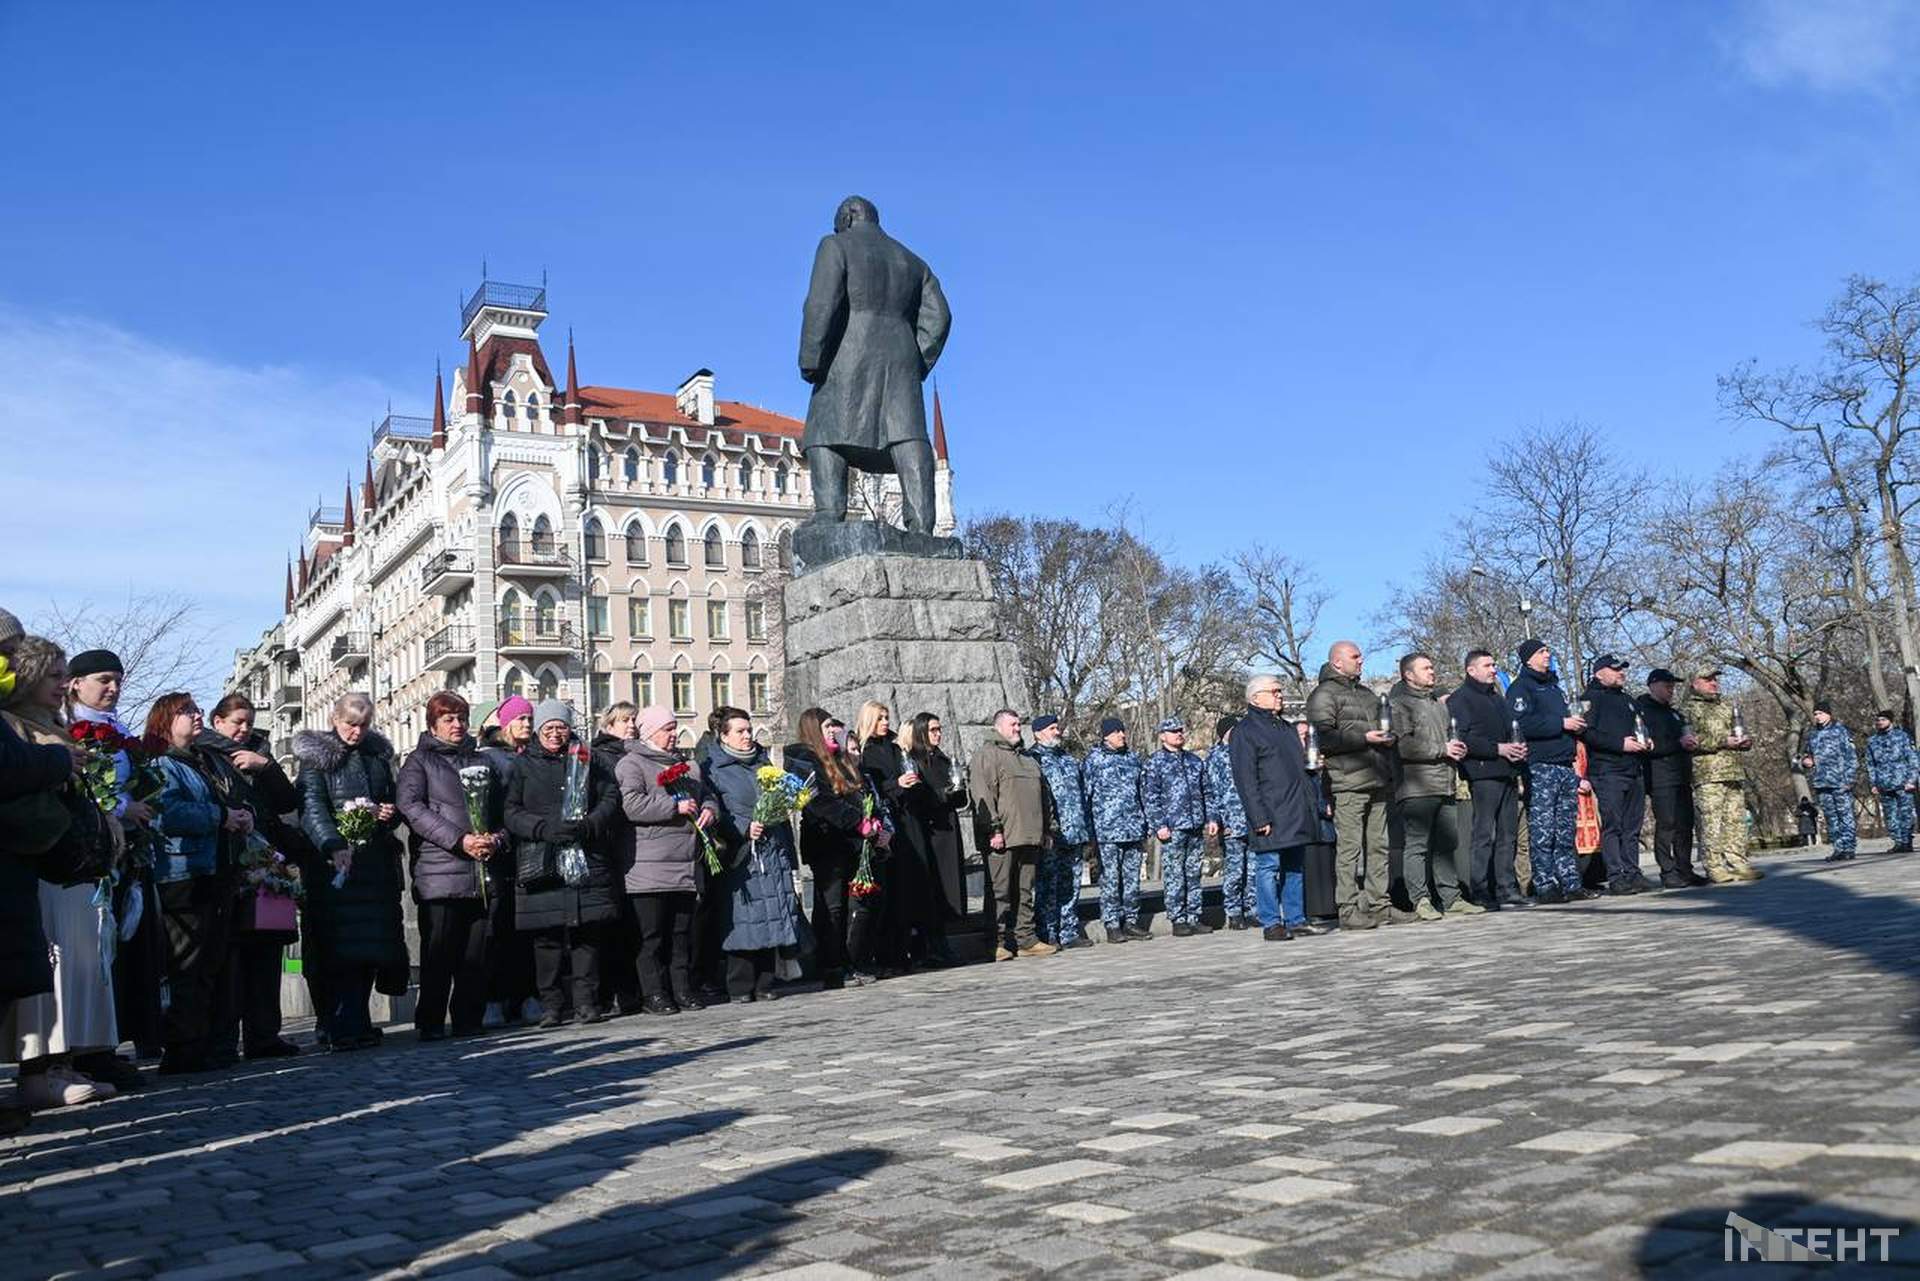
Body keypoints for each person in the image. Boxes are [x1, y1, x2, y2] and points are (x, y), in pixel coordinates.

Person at [2, 638, 125, 1105]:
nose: (62, 685)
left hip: (64, 865)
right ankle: (40, 1068)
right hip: (38, 862)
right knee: (44, 966)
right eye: (54, 676)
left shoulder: (54, 724)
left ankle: (66, 1059)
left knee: (72, 963)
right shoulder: (13, 725)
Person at [144, 690, 253, 1074]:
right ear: (165, 721)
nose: (196, 715)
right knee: (185, 966)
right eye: (185, 711)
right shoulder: (162, 764)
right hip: (181, 873)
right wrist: (220, 815)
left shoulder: (202, 761)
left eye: (195, 709)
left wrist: (239, 816)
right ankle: (183, 1049)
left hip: (214, 870)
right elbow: (166, 811)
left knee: (210, 964)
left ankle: (206, 1044)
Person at [66, 648, 162, 1062]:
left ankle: (118, 1036)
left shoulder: (116, 729)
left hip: (127, 849)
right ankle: (89, 1047)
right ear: (76, 684)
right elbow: (85, 786)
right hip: (90, 852)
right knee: (96, 947)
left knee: (128, 945)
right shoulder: (71, 728)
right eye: (104, 679)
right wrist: (124, 808)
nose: (113, 688)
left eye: (118, 680)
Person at [297, 692, 408, 1049]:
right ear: (334, 719)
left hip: (373, 867)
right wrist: (332, 844)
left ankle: (357, 1020)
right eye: (349, 724)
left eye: (362, 725)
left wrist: (389, 812)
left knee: (369, 951)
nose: (355, 732)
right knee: (338, 952)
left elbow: (391, 796)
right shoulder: (316, 760)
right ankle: (337, 1022)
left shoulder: (377, 756)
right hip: (335, 870)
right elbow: (312, 807)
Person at [503, 701, 622, 1027]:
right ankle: (552, 1006)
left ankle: (587, 1003)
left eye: (561, 727)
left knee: (586, 936)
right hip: (543, 861)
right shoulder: (523, 765)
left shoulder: (587, 758)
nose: (555, 734)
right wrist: (541, 829)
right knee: (547, 941)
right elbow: (510, 812)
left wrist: (590, 825)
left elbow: (610, 797)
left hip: (586, 856)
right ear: (539, 731)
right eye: (548, 728)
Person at [201, 694, 305, 1060]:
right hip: (228, 866)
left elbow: (287, 801)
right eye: (236, 722)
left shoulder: (259, 753)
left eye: (248, 722)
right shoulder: (205, 753)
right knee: (231, 959)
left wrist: (266, 767)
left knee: (267, 954)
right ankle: (224, 1036)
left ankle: (264, 1034)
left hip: (265, 866)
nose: (243, 730)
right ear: (217, 721)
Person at [395, 691, 502, 1039]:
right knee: (439, 953)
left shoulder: (481, 761)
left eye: (461, 718)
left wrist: (494, 839)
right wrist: (459, 840)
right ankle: (430, 1021)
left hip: (480, 872)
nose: (457, 725)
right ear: (433, 725)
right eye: (448, 719)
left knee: (476, 953)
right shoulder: (419, 762)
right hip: (440, 873)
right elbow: (412, 808)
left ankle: (468, 1018)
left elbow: (500, 810)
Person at [616, 705, 719, 1012]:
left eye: (675, 728)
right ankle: (654, 993)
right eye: (667, 729)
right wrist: (673, 807)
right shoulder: (631, 764)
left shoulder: (689, 766)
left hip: (684, 864)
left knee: (680, 934)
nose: (674, 734)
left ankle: (683, 989)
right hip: (648, 868)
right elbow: (630, 804)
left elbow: (707, 795)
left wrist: (710, 811)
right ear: (649, 732)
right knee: (652, 936)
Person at [705, 706, 803, 1001]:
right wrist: (744, 830)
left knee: (772, 913)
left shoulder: (762, 762)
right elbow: (716, 810)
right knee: (744, 917)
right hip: (741, 854)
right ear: (723, 736)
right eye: (740, 731)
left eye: (749, 730)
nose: (748, 736)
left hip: (771, 849)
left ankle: (765, 982)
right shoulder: (713, 768)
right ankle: (739, 985)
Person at [785, 710, 887, 987]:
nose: (832, 731)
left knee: (852, 905)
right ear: (813, 729)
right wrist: (857, 821)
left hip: (850, 842)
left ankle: (849, 961)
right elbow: (819, 802)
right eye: (826, 726)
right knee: (832, 907)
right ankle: (831, 967)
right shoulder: (804, 759)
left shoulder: (838, 757)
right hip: (826, 842)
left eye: (833, 726)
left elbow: (857, 791)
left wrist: (871, 818)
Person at [1307, 640, 1398, 929]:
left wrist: (1390, 738)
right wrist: (1364, 738)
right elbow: (1323, 736)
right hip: (1348, 782)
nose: (1361, 661)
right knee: (1350, 849)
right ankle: (1347, 909)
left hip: (1377, 778)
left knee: (1379, 846)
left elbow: (1382, 728)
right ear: (1337, 662)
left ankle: (1379, 905)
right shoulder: (1323, 694)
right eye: (1355, 656)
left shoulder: (1367, 693)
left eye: (1360, 656)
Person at [1230, 675, 1322, 942]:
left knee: (1295, 866)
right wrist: (1258, 816)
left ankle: (1296, 919)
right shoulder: (1245, 731)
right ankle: (1271, 922)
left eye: (1280, 691)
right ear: (1255, 697)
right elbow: (1246, 779)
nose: (1280, 695)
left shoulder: (1285, 728)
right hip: (1269, 812)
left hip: (1295, 809)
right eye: (1275, 691)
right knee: (1268, 866)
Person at [1388, 653, 1478, 920]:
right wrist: (1442, 749)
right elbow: (1403, 745)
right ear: (1409, 674)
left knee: (1446, 844)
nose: (1432, 672)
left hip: (1445, 782)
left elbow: (1447, 740)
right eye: (1426, 668)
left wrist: (1456, 748)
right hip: (1417, 786)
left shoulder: (1437, 704)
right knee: (1417, 845)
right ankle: (1421, 900)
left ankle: (1451, 898)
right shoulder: (1399, 705)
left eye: (1432, 667)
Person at [1507, 639, 1595, 904]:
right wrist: (1561, 723)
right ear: (1528, 659)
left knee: (1565, 830)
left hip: (1565, 765)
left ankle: (1571, 882)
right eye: (1541, 652)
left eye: (1547, 651)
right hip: (1540, 766)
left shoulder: (1555, 687)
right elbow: (1522, 723)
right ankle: (1545, 883)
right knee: (1544, 830)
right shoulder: (1521, 689)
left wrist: (1575, 725)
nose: (1547, 656)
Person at [970, 709, 1056, 960]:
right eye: (1013, 725)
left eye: (1019, 724)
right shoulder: (986, 756)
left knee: (1025, 890)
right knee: (1000, 892)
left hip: (1030, 836)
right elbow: (982, 795)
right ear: (998, 727)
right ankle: (995, 943)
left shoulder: (1028, 759)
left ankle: (1026, 940)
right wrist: (993, 829)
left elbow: (1044, 798)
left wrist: (1048, 829)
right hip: (1002, 838)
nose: (1018, 728)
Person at [1447, 650, 1528, 909]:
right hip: (1482, 774)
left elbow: (1511, 730)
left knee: (1508, 834)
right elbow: (1464, 739)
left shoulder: (1497, 698)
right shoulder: (1461, 699)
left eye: (1494, 664)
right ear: (1471, 670)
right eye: (1488, 665)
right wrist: (1497, 749)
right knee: (1484, 834)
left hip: (1507, 772)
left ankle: (1506, 887)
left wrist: (1518, 747)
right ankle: (1480, 890)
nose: (1494, 670)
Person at [479, 694, 537, 1029]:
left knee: (527, 933)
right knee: (497, 931)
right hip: (502, 852)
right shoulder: (490, 758)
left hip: (530, 853)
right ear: (505, 724)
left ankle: (527, 996)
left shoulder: (532, 756)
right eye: (520, 720)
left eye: (529, 719)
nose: (526, 725)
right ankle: (495, 998)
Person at [856, 700, 927, 971]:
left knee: (906, 892)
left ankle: (904, 951)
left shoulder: (895, 748)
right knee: (889, 895)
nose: (886, 722)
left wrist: (909, 782)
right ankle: (887, 955)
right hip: (884, 826)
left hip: (905, 821)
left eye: (887, 717)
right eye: (880, 718)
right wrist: (895, 784)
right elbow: (873, 790)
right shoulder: (867, 752)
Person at [1578, 654, 1656, 895]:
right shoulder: (1589, 699)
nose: (1621, 673)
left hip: (1634, 769)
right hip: (1608, 770)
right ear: (1599, 672)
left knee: (1633, 826)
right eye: (1615, 669)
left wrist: (1648, 741)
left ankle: (1633, 872)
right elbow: (1586, 733)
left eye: (1622, 669)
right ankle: (1616, 875)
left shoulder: (1628, 700)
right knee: (1613, 825)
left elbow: (1641, 727)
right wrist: (1619, 745)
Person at [898, 712, 968, 964]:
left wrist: (958, 789)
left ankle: (942, 942)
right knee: (933, 889)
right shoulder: (915, 760)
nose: (938, 734)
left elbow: (957, 795)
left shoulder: (942, 758)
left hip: (947, 828)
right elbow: (917, 795)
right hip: (930, 831)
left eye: (939, 729)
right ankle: (932, 946)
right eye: (933, 730)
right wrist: (943, 795)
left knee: (948, 888)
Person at [590, 702, 643, 1015]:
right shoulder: (601, 755)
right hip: (612, 846)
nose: (631, 725)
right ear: (608, 725)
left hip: (639, 847)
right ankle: (609, 993)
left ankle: (631, 991)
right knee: (611, 926)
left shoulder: (638, 752)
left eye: (634, 720)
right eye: (624, 720)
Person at [1685, 670, 1760, 882]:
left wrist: (1745, 741)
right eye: (1707, 679)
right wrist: (1722, 741)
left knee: (1736, 821)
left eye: (1715, 679)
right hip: (1708, 774)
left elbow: (1739, 730)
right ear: (1695, 682)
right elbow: (1690, 739)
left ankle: (1738, 862)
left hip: (1733, 771)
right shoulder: (1688, 707)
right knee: (1712, 822)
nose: (1713, 683)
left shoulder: (1727, 704)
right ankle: (1714, 866)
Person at [1144, 716, 1216, 936]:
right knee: (1175, 874)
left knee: (1193, 872)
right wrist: (1159, 825)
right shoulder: (1155, 762)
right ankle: (1178, 918)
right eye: (1173, 731)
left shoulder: (1195, 761)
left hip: (1195, 825)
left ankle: (1194, 916)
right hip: (1173, 828)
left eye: (1180, 730)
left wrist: (1212, 818)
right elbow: (1150, 797)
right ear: (1162, 735)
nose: (1179, 734)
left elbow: (1208, 792)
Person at [1029, 714, 1094, 948]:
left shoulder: (1068, 759)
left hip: (1074, 833)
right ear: (1037, 733)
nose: (1057, 732)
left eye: (1057, 728)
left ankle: (1069, 932)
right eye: (1052, 728)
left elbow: (1082, 796)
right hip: (1051, 835)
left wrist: (1086, 828)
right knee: (1048, 885)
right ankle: (1047, 933)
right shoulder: (1031, 759)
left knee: (1071, 885)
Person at [1084, 717, 1151, 943]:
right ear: (1105, 736)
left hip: (1133, 828)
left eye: (1123, 731)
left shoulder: (1133, 759)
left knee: (1132, 879)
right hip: (1107, 832)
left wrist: (1145, 822)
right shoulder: (1094, 760)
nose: (1122, 735)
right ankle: (1112, 924)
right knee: (1111, 880)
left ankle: (1131, 920)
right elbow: (1087, 797)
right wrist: (1091, 832)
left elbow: (1143, 793)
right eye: (1117, 732)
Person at [1637, 668, 1705, 888]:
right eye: (1667, 685)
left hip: (1681, 774)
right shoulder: (1643, 711)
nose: (1671, 689)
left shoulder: (1674, 713)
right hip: (1660, 776)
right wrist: (1678, 744)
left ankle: (1685, 869)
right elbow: (1649, 746)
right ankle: (1668, 871)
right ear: (1653, 685)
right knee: (1667, 824)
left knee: (1686, 824)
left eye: (1673, 686)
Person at [1205, 717, 1255, 930]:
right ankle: (1234, 912)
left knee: (1253, 870)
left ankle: (1253, 909)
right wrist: (1214, 818)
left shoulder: (1249, 751)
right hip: (1231, 821)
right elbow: (1211, 791)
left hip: (1253, 819)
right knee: (1235, 870)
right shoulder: (1215, 757)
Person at [1803, 700, 1859, 863]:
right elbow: (1808, 755)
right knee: (1831, 817)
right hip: (1822, 782)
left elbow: (1852, 757)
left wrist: (1849, 779)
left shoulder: (1840, 731)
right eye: (1815, 714)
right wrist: (1806, 762)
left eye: (1820, 713)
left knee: (1845, 815)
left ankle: (1849, 848)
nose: (1817, 717)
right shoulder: (1813, 735)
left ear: (1829, 714)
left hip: (1840, 781)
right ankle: (1838, 848)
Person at [1865, 710, 1917, 855]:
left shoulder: (1902, 737)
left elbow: (1912, 759)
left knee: (1906, 814)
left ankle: (1907, 842)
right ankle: (1898, 842)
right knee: (1890, 815)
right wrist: (1874, 783)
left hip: (1903, 782)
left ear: (1890, 721)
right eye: (1878, 720)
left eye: (1883, 719)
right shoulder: (1872, 741)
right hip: (1884, 784)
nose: (1879, 722)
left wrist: (1912, 780)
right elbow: (1870, 764)